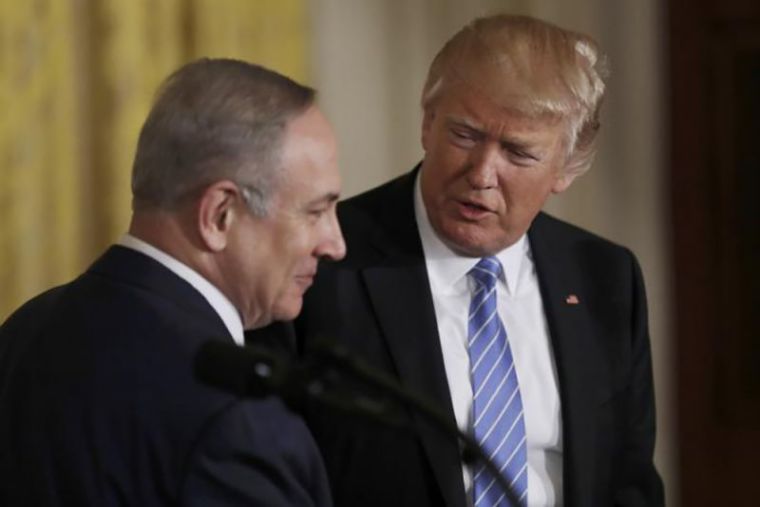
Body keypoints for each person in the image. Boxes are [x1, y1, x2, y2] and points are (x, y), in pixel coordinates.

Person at [293, 14, 664, 507]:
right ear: (427, 121)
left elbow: (629, 483)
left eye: (518, 152)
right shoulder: (321, 261)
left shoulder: (605, 278)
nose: (483, 173)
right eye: (465, 135)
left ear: (567, 167)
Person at [0, 58, 345, 506]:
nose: (335, 244)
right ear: (219, 215)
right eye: (316, 212)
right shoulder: (238, 413)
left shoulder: (21, 332)